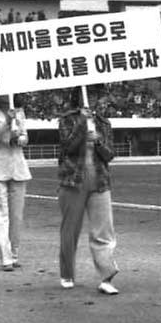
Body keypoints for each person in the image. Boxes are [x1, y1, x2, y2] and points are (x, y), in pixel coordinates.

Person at [56, 86, 120, 294]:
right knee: (70, 231)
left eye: (94, 95)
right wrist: (82, 125)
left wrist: (98, 141)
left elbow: (109, 154)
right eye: (89, 94)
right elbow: (67, 147)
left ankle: (106, 276)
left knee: (104, 230)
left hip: (99, 182)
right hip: (73, 181)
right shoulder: (67, 119)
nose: (92, 99)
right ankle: (67, 274)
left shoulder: (104, 123)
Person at [0, 90, 30, 271]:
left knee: (16, 215)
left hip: (17, 166)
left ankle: (15, 254)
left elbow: (25, 136)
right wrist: (7, 123)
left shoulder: (20, 111)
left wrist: (20, 139)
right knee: (0, 214)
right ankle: (6, 257)